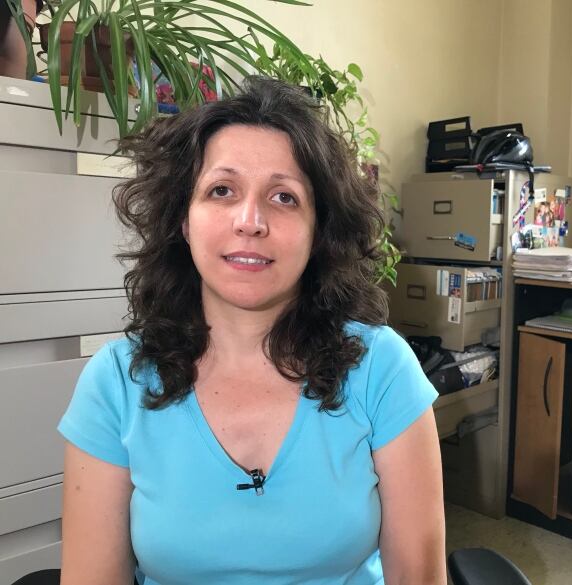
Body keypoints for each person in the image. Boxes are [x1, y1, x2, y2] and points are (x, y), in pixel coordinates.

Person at [58, 78, 446, 585]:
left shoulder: (381, 367)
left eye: (284, 197)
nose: (250, 220)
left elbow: (417, 578)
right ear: (184, 221)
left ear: (317, 230)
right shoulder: (115, 382)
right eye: (222, 190)